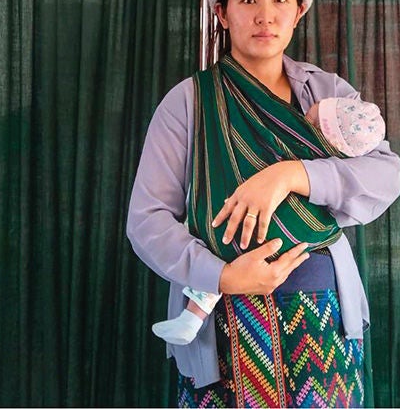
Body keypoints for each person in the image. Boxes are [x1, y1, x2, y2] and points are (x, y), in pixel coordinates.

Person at [126, 0, 400, 408]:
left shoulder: (328, 94)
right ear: (222, 14)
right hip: (223, 308)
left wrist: (292, 175)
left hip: (323, 314)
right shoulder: (189, 102)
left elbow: (386, 176)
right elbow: (147, 222)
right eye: (247, 0)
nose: (265, 16)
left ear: (299, 11)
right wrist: (225, 277)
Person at [150, 95, 387, 346]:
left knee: (218, 238)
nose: (306, 112)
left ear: (319, 128)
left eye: (313, 114)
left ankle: (193, 315)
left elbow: (387, 175)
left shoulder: (302, 136)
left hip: (288, 251)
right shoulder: (190, 97)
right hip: (296, 254)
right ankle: (193, 315)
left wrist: (288, 174)